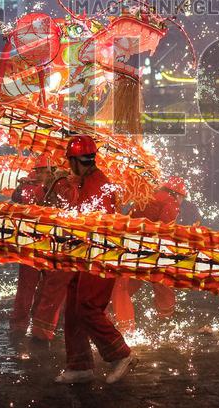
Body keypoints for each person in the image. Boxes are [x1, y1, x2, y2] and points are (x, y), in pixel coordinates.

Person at [55, 135, 135, 385]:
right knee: (73, 305)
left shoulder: (97, 185)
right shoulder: (88, 182)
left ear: (77, 161)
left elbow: (91, 223)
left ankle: (121, 354)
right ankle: (79, 365)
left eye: (70, 162)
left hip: (101, 255)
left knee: (87, 307)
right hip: (87, 253)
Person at [110, 176, 184, 330]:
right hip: (147, 247)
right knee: (162, 279)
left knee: (127, 283)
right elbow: (164, 230)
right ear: (177, 194)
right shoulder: (171, 202)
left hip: (129, 243)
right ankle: (166, 317)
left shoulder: (150, 195)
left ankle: (112, 314)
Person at [29, 158, 79, 342]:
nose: (40, 175)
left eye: (43, 171)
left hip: (57, 242)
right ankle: (42, 331)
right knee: (52, 288)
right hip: (61, 242)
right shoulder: (61, 185)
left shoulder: (58, 185)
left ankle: (41, 330)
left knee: (51, 288)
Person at [8, 154, 49, 334]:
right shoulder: (30, 187)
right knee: (27, 286)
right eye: (39, 171)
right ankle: (20, 325)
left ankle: (38, 324)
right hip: (31, 243)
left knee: (44, 287)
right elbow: (15, 198)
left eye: (44, 171)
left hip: (45, 243)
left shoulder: (52, 187)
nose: (41, 175)